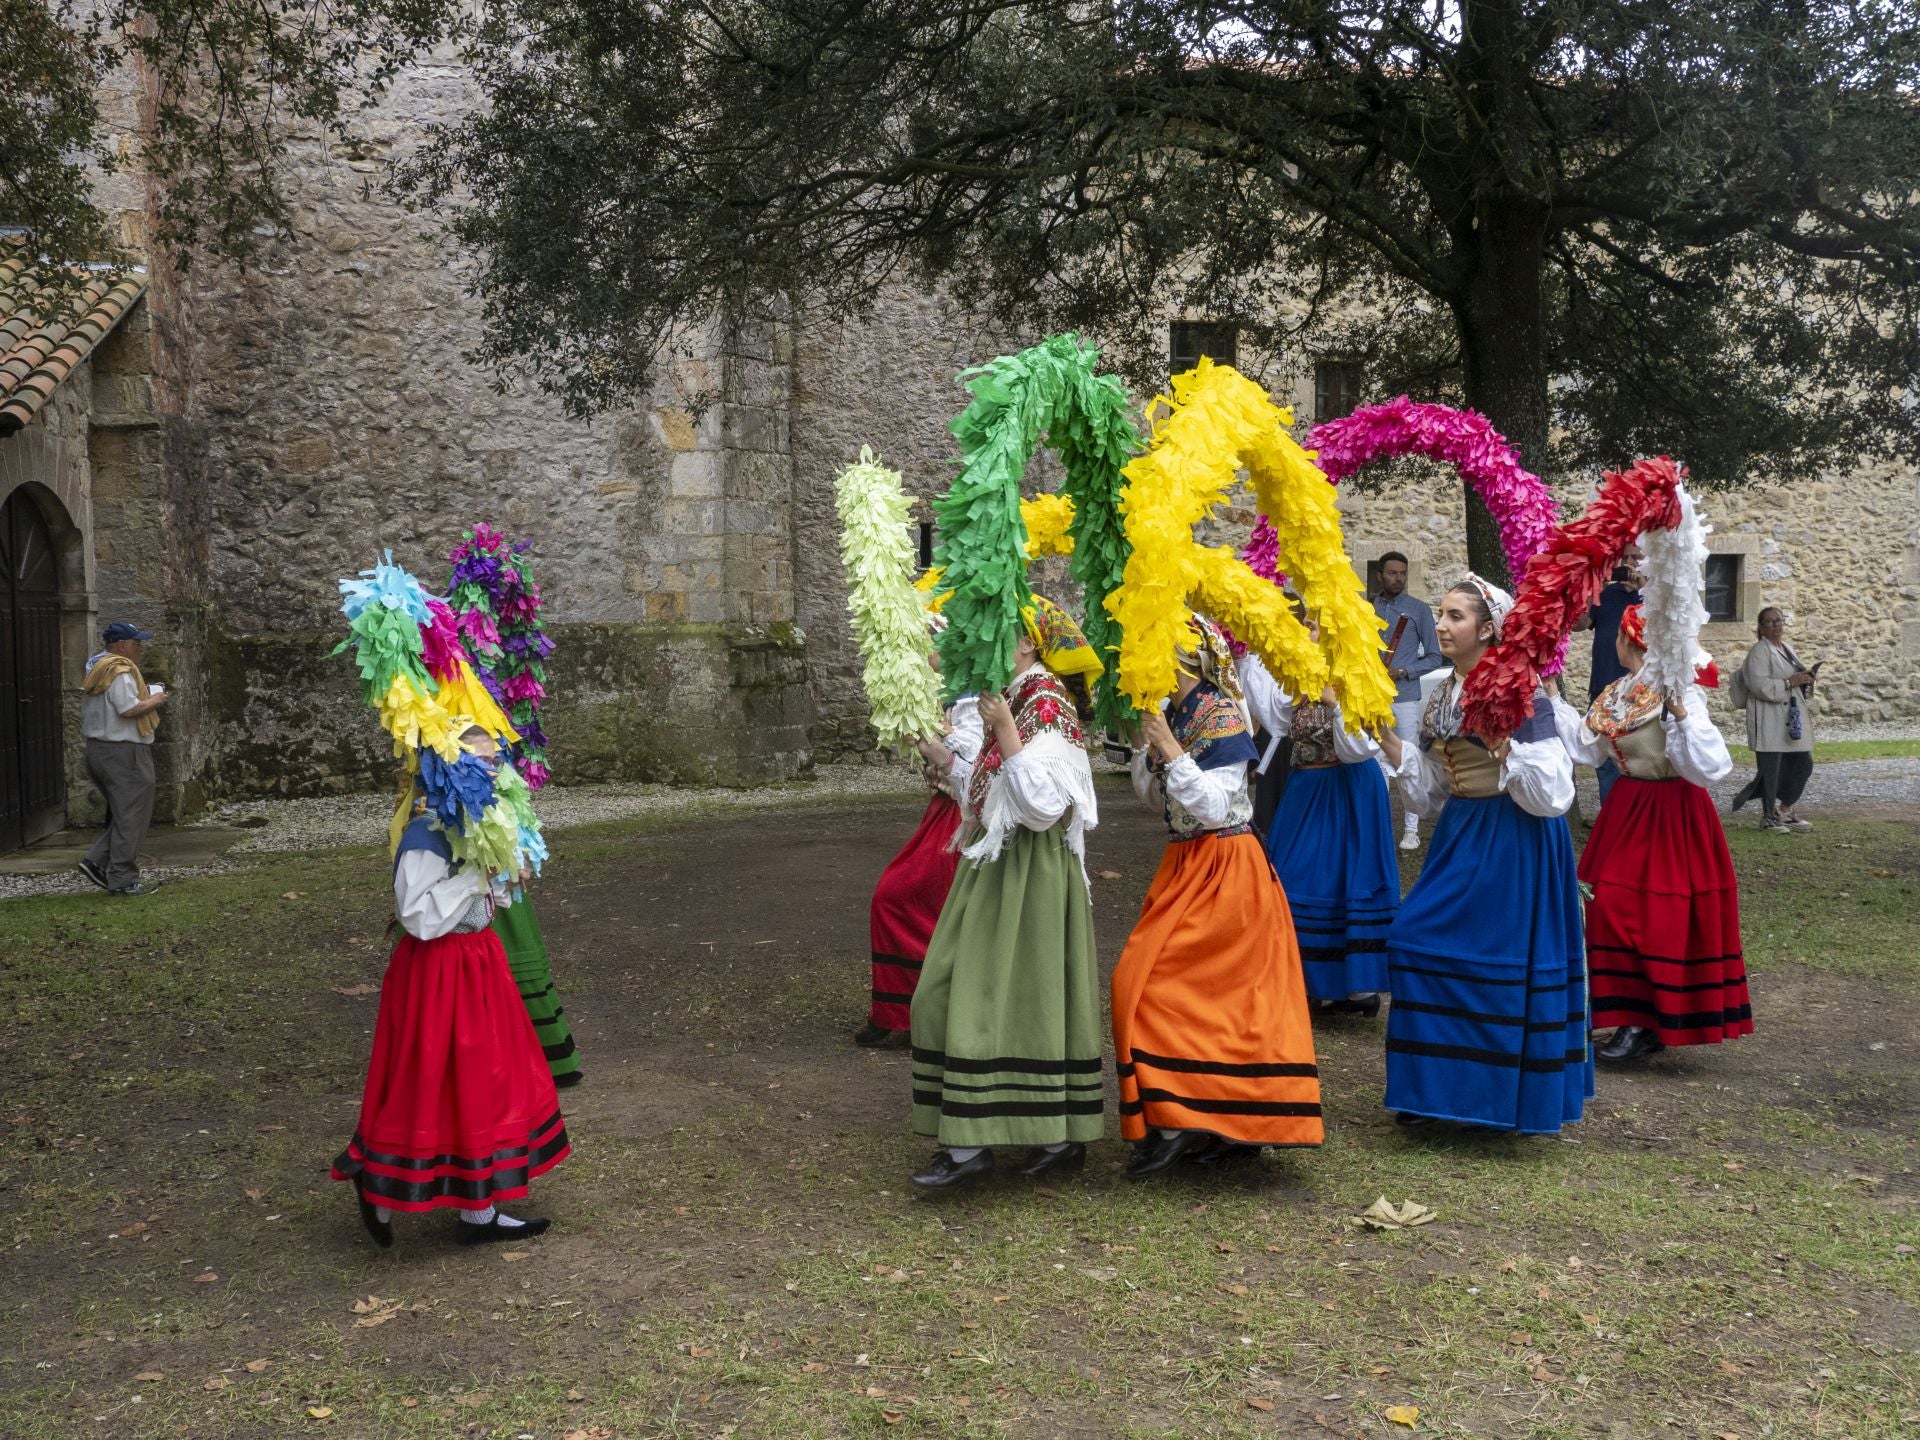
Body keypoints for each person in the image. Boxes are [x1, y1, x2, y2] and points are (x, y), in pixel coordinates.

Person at [332, 724, 571, 1247]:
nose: (493, 774)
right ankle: (376, 1176)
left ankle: (478, 1212)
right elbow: (417, 915)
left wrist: (505, 874)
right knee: (432, 1080)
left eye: (495, 764)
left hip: (478, 963)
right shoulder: (428, 833)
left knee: (482, 1080)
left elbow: (488, 896)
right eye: (480, 766)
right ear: (449, 770)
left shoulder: (472, 823)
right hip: (439, 973)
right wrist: (478, 876)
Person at [1374, 576, 1592, 1135]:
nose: (1441, 626)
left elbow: (1555, 795)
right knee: (1415, 942)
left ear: (1488, 627)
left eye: (1454, 617)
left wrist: (1505, 745)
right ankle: (1437, 1091)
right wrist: (1385, 736)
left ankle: (1488, 1101)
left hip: (1514, 838)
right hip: (1461, 834)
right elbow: (1430, 791)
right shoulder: (1444, 692)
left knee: (1491, 964)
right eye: (1440, 615)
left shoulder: (1524, 690)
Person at [1112, 618, 1323, 1177]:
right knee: (1158, 987)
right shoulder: (1176, 712)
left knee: (1173, 991)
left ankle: (1189, 1121)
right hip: (1186, 863)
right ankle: (1198, 1117)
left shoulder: (1220, 713)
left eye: (1151, 645)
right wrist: (1148, 743)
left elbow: (1212, 804)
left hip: (1227, 867)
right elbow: (1155, 797)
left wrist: (1166, 745)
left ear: (1186, 656)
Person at [908, 595, 1103, 1190]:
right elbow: (990, 788)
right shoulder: (1014, 696)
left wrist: (1004, 730)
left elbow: (1045, 806)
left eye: (993, 629)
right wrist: (940, 752)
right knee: (952, 991)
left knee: (1022, 999)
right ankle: (1027, 1135)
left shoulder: (1046, 701)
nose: (975, 638)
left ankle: (1006, 1143)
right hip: (995, 862)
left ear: (1024, 642)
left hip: (1032, 868)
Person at [1551, 605, 1750, 1062]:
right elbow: (1586, 748)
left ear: (1628, 640)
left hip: (1674, 812)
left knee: (1654, 915)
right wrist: (1550, 697)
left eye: (1617, 635)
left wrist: (1681, 714)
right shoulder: (1619, 692)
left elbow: (1710, 767)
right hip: (1628, 807)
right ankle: (1632, 1016)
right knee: (1604, 903)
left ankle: (1647, 1021)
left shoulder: (1677, 694)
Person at [1243, 613, 1397, 1017]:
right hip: (1305, 791)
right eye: (1306, 622)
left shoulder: (1359, 674)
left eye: (1313, 625)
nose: (1305, 630)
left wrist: (1333, 702)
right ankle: (1305, 982)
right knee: (1291, 878)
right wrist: (1252, 655)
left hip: (1346, 792)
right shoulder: (1299, 676)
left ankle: (1351, 987)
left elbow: (1360, 747)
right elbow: (1276, 723)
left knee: (1336, 883)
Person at [856, 663, 983, 1047]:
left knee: (903, 897)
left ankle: (928, 1010)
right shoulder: (954, 694)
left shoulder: (977, 700)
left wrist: (929, 741)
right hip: (944, 812)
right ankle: (900, 1009)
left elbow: (973, 766)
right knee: (899, 898)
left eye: (933, 642)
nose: (927, 653)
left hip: (965, 817)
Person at [77, 621, 169, 896]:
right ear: (121, 646)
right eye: (136, 643)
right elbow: (128, 709)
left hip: (99, 749)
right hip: (123, 750)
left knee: (126, 812)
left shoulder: (96, 666)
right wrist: (156, 699)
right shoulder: (119, 671)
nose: (140, 647)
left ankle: (96, 861)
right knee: (133, 814)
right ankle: (122, 879)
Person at [1370, 553, 1443, 851]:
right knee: (1375, 761)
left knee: (1407, 758)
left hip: (1406, 697)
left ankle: (1411, 829)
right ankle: (1380, 826)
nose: (1397, 578)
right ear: (1380, 576)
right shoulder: (1366, 609)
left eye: (1402, 573)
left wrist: (1405, 671)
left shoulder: (1419, 609)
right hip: (1373, 696)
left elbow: (1435, 657)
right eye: (1392, 573)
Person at [1730, 607, 1815, 832]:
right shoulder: (1759, 651)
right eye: (1770, 622)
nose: (1776, 626)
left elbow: (1792, 678)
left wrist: (1805, 678)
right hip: (1768, 719)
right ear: (1761, 627)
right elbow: (1759, 686)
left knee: (1803, 763)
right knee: (1770, 769)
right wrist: (1789, 682)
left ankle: (1784, 811)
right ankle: (1768, 817)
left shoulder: (1786, 648)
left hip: (1788, 718)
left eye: (1779, 621)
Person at [1578, 553, 1646, 805]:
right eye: (1625, 559)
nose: (1629, 564)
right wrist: (1591, 589)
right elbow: (1579, 623)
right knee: (1605, 760)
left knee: (1637, 757)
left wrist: (1644, 588)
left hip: (1640, 690)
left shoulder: (1653, 596)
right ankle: (1611, 815)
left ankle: (1634, 816)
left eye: (1636, 559)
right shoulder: (1606, 594)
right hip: (1603, 686)